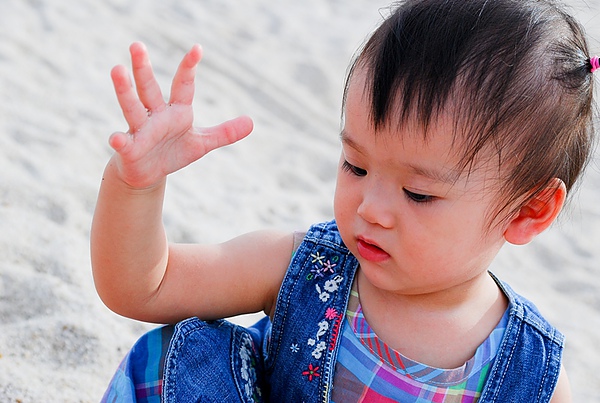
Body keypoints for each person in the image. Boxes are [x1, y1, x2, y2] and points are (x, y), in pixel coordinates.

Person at [91, 0, 597, 401]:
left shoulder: (530, 379)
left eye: (418, 193)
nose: (370, 208)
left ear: (529, 211)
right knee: (175, 357)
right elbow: (145, 287)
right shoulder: (309, 269)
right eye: (355, 165)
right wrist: (137, 185)